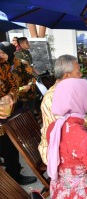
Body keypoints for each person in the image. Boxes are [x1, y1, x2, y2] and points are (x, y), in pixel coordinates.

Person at [0, 41, 37, 185]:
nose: (1, 56)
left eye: (3, 53)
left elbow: (15, 86)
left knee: (10, 146)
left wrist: (10, 95)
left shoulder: (10, 65)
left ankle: (14, 176)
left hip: (11, 111)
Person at [38, 54, 84, 165]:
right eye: (78, 72)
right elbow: (65, 132)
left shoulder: (68, 91)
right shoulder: (54, 97)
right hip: (57, 151)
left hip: (70, 140)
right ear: (67, 76)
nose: (81, 75)